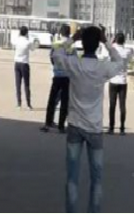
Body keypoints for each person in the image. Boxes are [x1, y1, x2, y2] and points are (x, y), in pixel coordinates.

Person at [52, 26, 126, 213]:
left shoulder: (74, 64)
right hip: (94, 127)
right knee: (97, 180)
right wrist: (107, 42)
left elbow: (56, 54)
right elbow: (120, 62)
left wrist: (71, 39)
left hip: (75, 125)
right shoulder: (102, 68)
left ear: (82, 43)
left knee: (72, 178)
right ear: (97, 43)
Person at [41, 24, 72, 133]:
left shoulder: (56, 44)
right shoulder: (71, 46)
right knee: (65, 102)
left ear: (60, 33)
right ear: (69, 33)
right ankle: (61, 126)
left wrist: (56, 67)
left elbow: (52, 57)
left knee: (52, 100)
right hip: (67, 77)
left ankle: (48, 123)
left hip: (57, 75)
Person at [107, 33, 134, 135]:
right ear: (124, 40)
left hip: (113, 80)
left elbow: (107, 46)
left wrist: (112, 42)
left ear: (115, 40)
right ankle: (122, 128)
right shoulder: (127, 51)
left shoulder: (113, 50)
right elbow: (131, 58)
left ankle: (111, 127)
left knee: (112, 105)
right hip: (123, 81)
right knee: (122, 105)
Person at [13, 26, 37, 109]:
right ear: (27, 33)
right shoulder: (27, 42)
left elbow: (14, 43)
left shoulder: (17, 40)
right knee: (26, 84)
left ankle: (19, 104)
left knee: (18, 84)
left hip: (17, 63)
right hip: (24, 63)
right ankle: (28, 104)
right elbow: (33, 48)